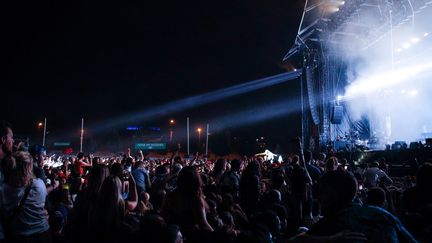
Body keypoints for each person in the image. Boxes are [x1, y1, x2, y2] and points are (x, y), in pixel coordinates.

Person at [288, 170, 417, 243]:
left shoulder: (331, 224)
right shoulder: (382, 214)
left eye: (322, 192)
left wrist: (328, 240)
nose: (318, 198)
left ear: (331, 194)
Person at [0, 151, 51, 242]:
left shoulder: (4, 189)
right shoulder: (39, 184)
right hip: (41, 234)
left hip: (17, 235)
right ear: (29, 168)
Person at [162, 166, 213, 242]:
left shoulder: (170, 195)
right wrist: (216, 235)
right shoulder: (195, 199)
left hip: (175, 236)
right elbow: (204, 225)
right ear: (196, 180)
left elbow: (163, 214)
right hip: (192, 237)